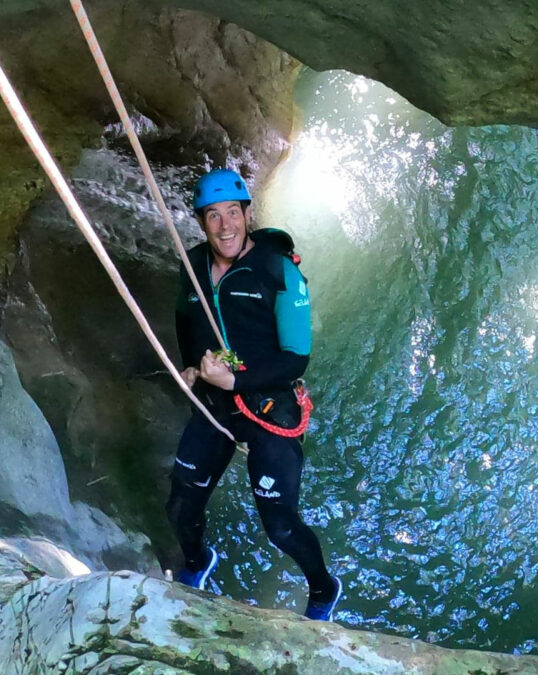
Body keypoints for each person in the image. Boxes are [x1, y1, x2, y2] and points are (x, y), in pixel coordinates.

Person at [166, 168, 343, 621]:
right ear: (201, 222)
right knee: (181, 502)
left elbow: (296, 359)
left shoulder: (278, 272)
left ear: (248, 214)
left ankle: (324, 588)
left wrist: (237, 382)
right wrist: (191, 367)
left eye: (233, 213)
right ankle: (196, 563)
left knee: (280, 526)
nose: (225, 226)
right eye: (213, 216)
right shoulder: (192, 266)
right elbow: (187, 323)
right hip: (215, 402)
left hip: (266, 403)